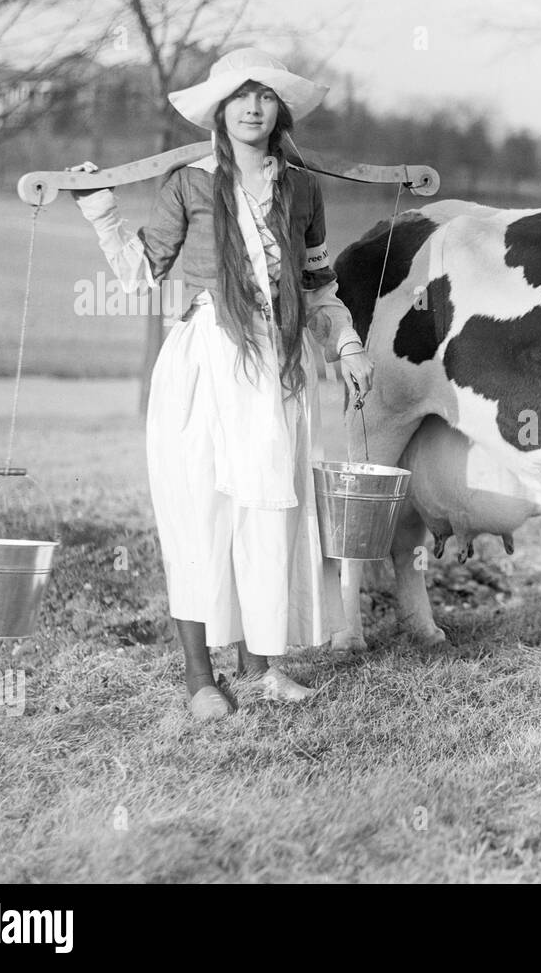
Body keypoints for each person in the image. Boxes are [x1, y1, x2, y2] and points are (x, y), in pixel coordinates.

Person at [70, 48, 373, 720]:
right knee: (201, 513)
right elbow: (142, 273)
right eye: (240, 96)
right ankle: (200, 676)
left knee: (270, 511)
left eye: (265, 96)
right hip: (207, 360)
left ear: (279, 110)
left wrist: (348, 344)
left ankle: (264, 666)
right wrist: (100, 211)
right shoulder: (189, 184)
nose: (253, 107)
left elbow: (318, 285)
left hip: (280, 367)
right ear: (220, 109)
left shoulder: (303, 190)